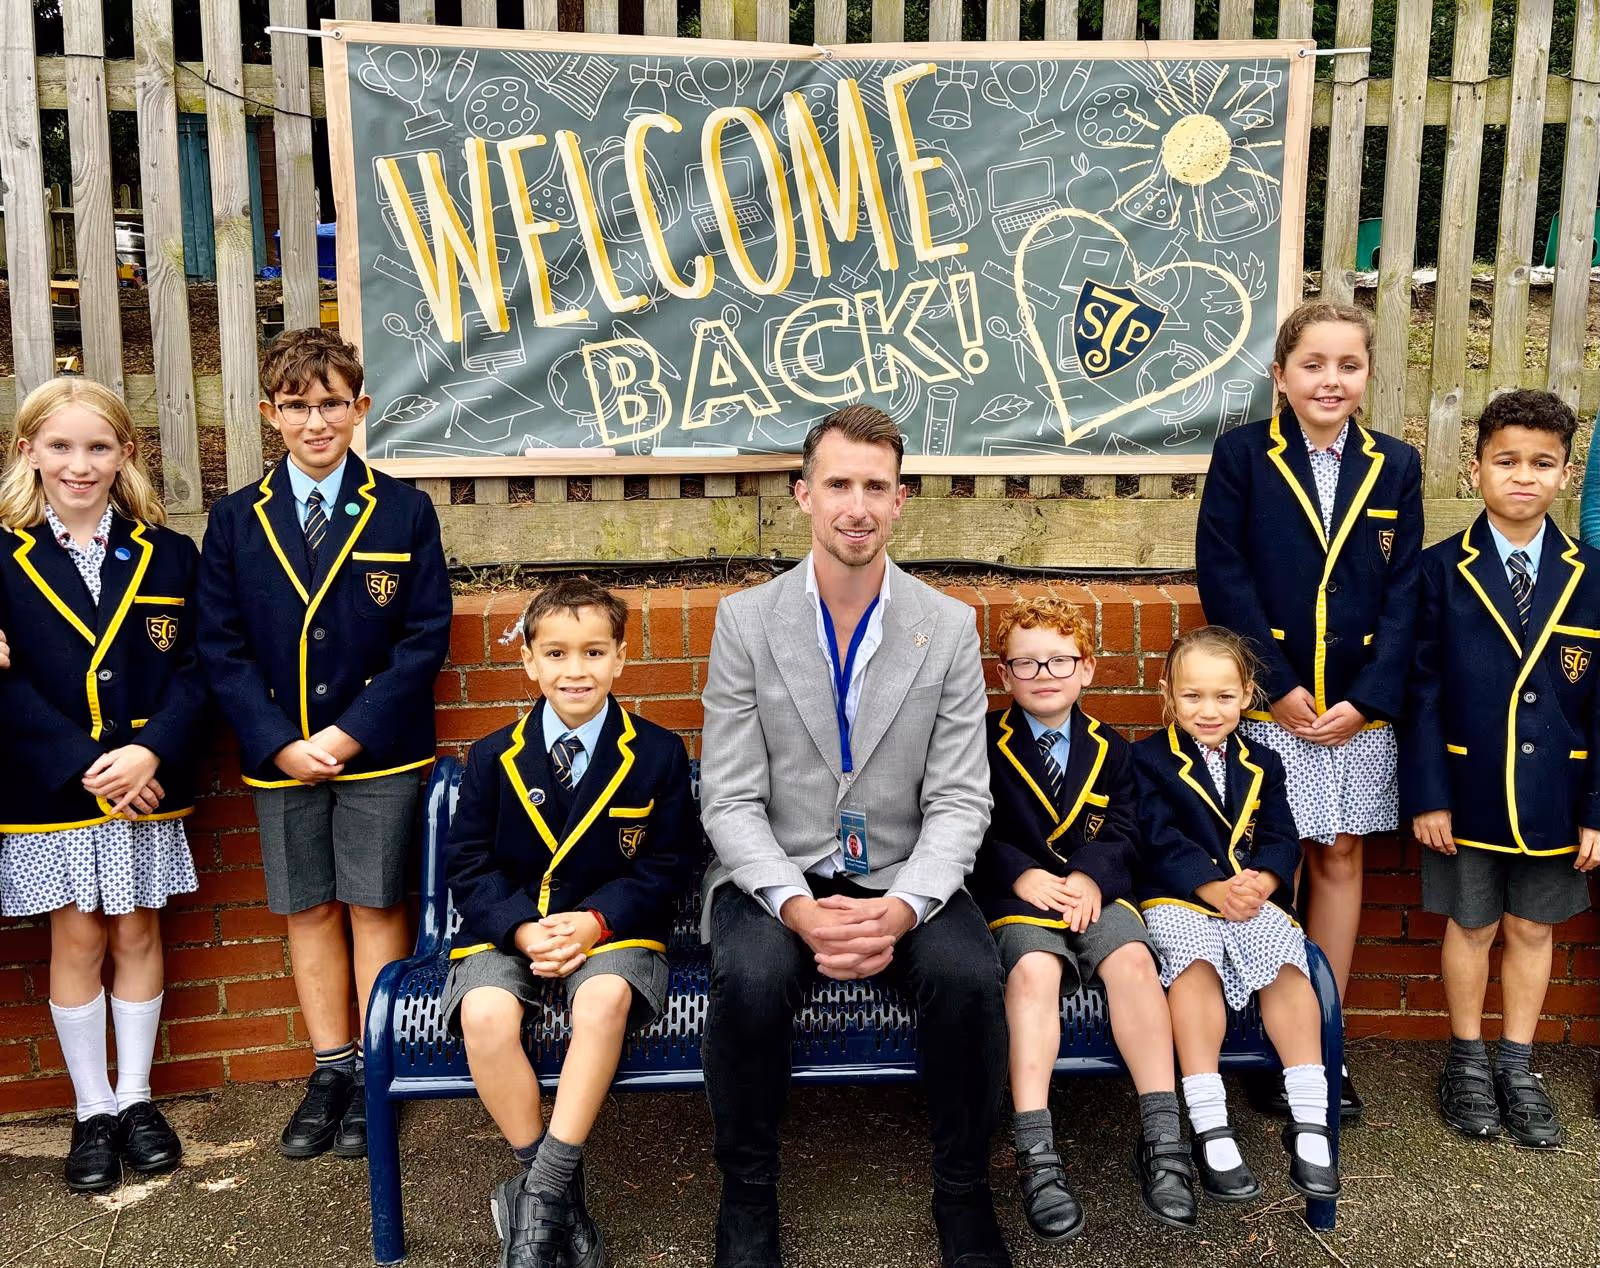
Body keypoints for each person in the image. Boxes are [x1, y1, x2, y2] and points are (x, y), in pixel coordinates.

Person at [699, 404, 1008, 1268]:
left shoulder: (944, 626)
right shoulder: (746, 622)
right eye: (838, 484)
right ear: (804, 494)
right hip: (782, 871)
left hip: (905, 873)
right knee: (751, 978)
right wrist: (796, 907)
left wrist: (907, 908)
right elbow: (726, 799)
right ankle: (749, 1200)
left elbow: (958, 799)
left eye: (877, 486)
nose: (857, 506)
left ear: (902, 499)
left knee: (967, 975)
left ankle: (964, 1194)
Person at [197, 329, 451, 1160]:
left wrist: (347, 732)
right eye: (298, 407)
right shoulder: (237, 519)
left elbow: (424, 639)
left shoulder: (404, 510)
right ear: (271, 414)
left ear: (360, 408)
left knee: (377, 903)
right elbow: (220, 646)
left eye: (332, 404)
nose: (317, 422)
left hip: (379, 750)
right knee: (308, 906)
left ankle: (377, 1066)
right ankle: (331, 1069)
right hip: (282, 758)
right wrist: (280, 743)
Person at [1195, 299, 1422, 1116]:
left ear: (1366, 375)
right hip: (1270, 705)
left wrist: (1368, 698)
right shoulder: (1242, 456)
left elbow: (1404, 593)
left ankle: (1324, 1039)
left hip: (1354, 712)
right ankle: (1270, 1033)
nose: (1331, 380)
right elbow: (1224, 576)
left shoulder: (1395, 464)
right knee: (1272, 864)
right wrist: (1274, 683)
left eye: (1348, 366)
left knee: (1340, 858)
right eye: (1314, 365)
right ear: (1280, 375)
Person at [443, 578, 702, 1268]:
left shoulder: (656, 754)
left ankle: (539, 1198)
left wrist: (593, 922)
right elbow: (468, 867)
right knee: (486, 1015)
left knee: (604, 998)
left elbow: (667, 865)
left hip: (613, 931)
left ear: (621, 659)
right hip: (511, 929)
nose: (575, 670)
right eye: (555, 653)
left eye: (594, 652)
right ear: (528, 662)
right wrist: (524, 930)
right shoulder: (493, 756)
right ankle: (556, 1194)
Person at [0, 378, 207, 1191]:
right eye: (60, 447)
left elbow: (193, 669)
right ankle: (90, 1112)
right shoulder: (5, 555)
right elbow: (9, 689)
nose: (79, 465)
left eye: (97, 447)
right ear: (29, 453)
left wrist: (150, 753)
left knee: (136, 935)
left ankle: (135, 1100)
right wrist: (90, 769)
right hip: (53, 789)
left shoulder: (167, 553)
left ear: (126, 454)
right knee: (78, 937)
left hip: (146, 783)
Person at [1403, 389, 1600, 1148]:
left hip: (1556, 796)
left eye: (1542, 464)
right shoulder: (1437, 572)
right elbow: (1419, 693)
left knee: (1531, 927)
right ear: (1477, 466)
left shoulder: (1591, 575)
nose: (1524, 477)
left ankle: (1518, 1064)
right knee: (1474, 923)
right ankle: (1468, 1060)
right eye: (1508, 461)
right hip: (1467, 791)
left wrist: (1597, 807)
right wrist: (1427, 793)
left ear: (1565, 474)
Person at [973, 597, 1196, 1238]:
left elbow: (1127, 829)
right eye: (1026, 662)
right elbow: (966, 821)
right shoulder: (982, 743)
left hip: (1096, 891)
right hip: (1018, 895)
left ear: (1088, 668)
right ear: (1004, 674)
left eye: (1060, 660)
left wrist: (1088, 876)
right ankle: (1036, 1153)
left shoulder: (1112, 750)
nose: (1044, 673)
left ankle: (1163, 1135)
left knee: (1133, 962)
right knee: (1036, 973)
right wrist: (1022, 872)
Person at [1133, 626, 1339, 1206]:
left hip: (1251, 897)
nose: (1209, 709)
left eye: (1224, 696)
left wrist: (1266, 879)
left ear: (1247, 694)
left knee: (1285, 961)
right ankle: (1209, 1122)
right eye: (1193, 695)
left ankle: (1309, 1118)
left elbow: (1280, 834)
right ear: (1169, 696)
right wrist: (1212, 885)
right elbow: (1155, 837)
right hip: (1179, 897)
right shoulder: (1147, 759)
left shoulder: (1264, 760)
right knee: (1193, 963)